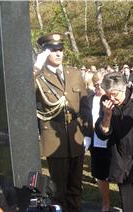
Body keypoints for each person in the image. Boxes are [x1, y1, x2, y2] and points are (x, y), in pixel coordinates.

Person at [33, 33, 88, 211]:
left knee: (76, 188)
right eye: (53, 50)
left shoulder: (74, 74)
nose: (58, 53)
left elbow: (85, 106)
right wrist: (35, 67)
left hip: (76, 139)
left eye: (61, 49)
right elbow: (21, 90)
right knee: (58, 192)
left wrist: (88, 134)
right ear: (44, 53)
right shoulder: (39, 75)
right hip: (53, 141)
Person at [94, 72, 133, 211]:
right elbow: (103, 134)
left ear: (124, 88)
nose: (112, 98)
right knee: (128, 206)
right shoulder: (105, 101)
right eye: (108, 94)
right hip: (120, 161)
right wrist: (107, 116)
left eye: (115, 94)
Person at [80, 72, 111, 211]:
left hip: (110, 140)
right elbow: (86, 117)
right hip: (95, 140)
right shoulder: (90, 98)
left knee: (115, 170)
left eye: (100, 83)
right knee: (99, 173)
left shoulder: (111, 97)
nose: (98, 86)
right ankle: (106, 202)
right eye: (96, 84)